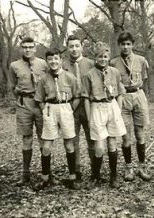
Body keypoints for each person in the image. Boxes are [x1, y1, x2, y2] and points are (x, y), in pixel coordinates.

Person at [82, 42, 127, 188]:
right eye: (100, 56)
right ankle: (95, 175)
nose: (103, 59)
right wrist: (89, 118)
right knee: (99, 147)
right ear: (95, 57)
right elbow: (86, 98)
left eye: (105, 56)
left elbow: (119, 93)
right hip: (97, 107)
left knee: (112, 144)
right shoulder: (89, 75)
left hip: (112, 106)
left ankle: (113, 176)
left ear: (109, 57)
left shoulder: (115, 72)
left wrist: (118, 111)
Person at [34, 48, 80, 190]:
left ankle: (72, 177)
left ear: (60, 60)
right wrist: (45, 110)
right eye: (50, 59)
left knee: (69, 145)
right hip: (50, 109)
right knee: (46, 147)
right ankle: (45, 178)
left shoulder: (69, 77)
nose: (53, 61)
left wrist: (70, 109)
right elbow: (39, 98)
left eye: (56, 58)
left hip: (66, 108)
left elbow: (78, 96)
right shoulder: (43, 79)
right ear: (47, 62)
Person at [110, 31, 151, 182]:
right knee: (126, 136)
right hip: (123, 97)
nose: (126, 47)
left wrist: (136, 91)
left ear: (133, 45)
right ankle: (128, 167)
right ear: (119, 45)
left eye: (128, 44)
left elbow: (144, 78)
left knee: (140, 134)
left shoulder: (141, 60)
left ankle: (142, 166)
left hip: (138, 95)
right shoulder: (113, 62)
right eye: (123, 44)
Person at [9, 37, 47, 185]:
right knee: (26, 139)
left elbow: (49, 80)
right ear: (21, 48)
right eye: (25, 47)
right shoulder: (14, 65)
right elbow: (12, 86)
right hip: (24, 103)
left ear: (35, 48)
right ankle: (25, 174)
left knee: (44, 138)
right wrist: (19, 98)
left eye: (30, 47)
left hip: (40, 104)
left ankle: (46, 173)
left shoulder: (43, 63)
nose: (27, 49)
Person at [62, 35, 95, 181]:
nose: (74, 49)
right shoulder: (63, 65)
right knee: (72, 139)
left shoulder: (91, 63)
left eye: (77, 46)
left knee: (92, 138)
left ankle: (95, 170)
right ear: (67, 48)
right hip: (72, 107)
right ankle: (76, 171)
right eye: (71, 46)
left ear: (81, 47)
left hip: (89, 106)